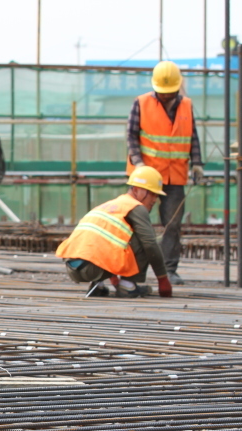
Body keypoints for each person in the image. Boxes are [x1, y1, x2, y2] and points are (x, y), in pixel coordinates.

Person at [126, 60, 204, 285]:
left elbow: (192, 137)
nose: (166, 96)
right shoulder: (141, 103)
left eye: (170, 93)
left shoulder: (186, 105)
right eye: (163, 93)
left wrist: (196, 162)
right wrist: (138, 162)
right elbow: (131, 136)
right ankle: (133, 270)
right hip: (146, 178)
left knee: (172, 224)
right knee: (137, 222)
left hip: (175, 175)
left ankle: (170, 270)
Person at [56, 166, 173, 299]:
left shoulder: (109, 206)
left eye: (156, 195)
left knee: (112, 236)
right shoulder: (136, 207)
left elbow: (105, 243)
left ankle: (98, 285)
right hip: (91, 267)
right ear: (136, 190)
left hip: (73, 268)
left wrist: (112, 276)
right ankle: (128, 285)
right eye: (152, 193)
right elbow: (150, 245)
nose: (154, 199)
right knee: (145, 237)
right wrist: (163, 279)